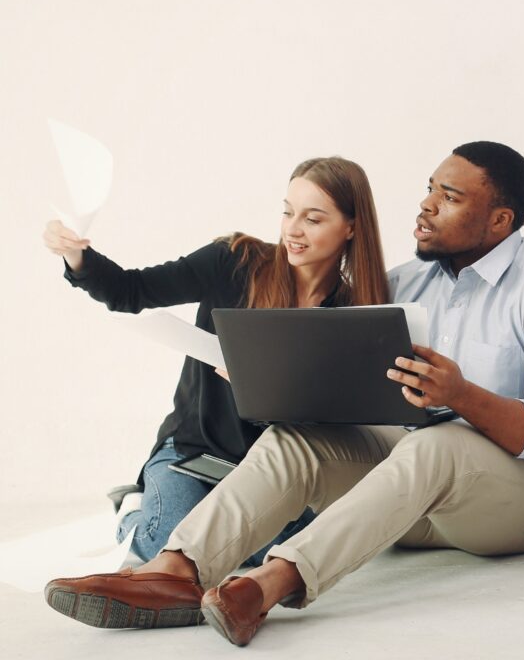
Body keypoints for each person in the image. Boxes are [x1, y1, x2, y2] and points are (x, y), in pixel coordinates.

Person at [44, 141, 524, 645]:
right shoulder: (399, 287)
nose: (426, 205)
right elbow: (349, 404)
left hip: (520, 499)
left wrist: (463, 395)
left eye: (448, 197)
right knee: (300, 438)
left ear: (500, 220)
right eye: (428, 189)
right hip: (414, 500)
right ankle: (176, 569)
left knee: (441, 444)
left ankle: (268, 584)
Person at [43, 156, 389, 563]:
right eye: (287, 212)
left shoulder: (352, 312)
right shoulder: (234, 261)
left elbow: (338, 423)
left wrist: (269, 393)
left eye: (313, 219)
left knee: (265, 552)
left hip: (264, 473)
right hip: (192, 449)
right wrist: (76, 256)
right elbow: (129, 291)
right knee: (165, 546)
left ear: (351, 226)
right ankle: (133, 507)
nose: (292, 229)